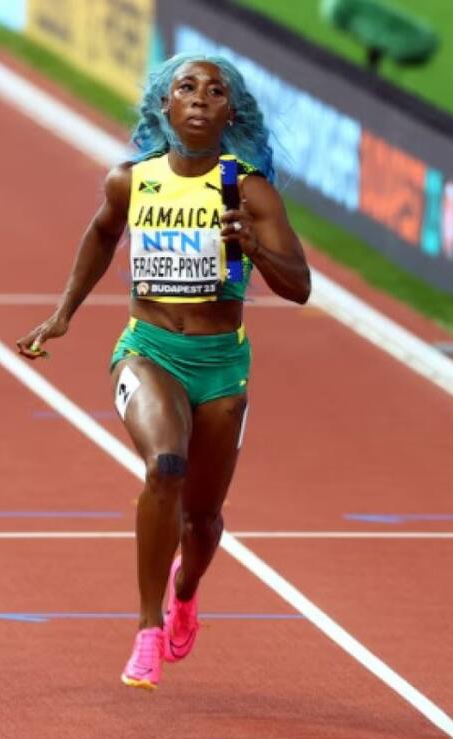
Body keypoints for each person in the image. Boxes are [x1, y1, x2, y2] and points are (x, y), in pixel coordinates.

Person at [16, 53, 310, 691]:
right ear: (164, 106)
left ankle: (185, 592)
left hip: (221, 365)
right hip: (149, 350)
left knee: (202, 518)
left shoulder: (249, 189)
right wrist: (62, 313)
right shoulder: (133, 181)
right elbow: (101, 234)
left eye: (215, 91)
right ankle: (147, 629)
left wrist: (253, 248)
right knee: (164, 467)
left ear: (230, 111)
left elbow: (300, 286)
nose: (200, 98)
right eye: (186, 88)